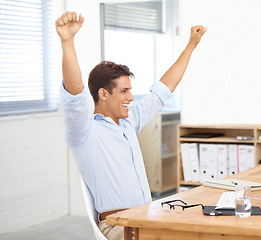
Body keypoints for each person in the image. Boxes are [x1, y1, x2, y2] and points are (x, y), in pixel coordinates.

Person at [55, 11, 206, 240]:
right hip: (119, 225)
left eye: (130, 90)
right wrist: (68, 41)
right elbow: (74, 94)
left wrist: (191, 46)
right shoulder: (84, 132)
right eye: (124, 91)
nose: (131, 97)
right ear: (103, 94)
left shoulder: (128, 123)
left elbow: (163, 89)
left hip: (147, 217)